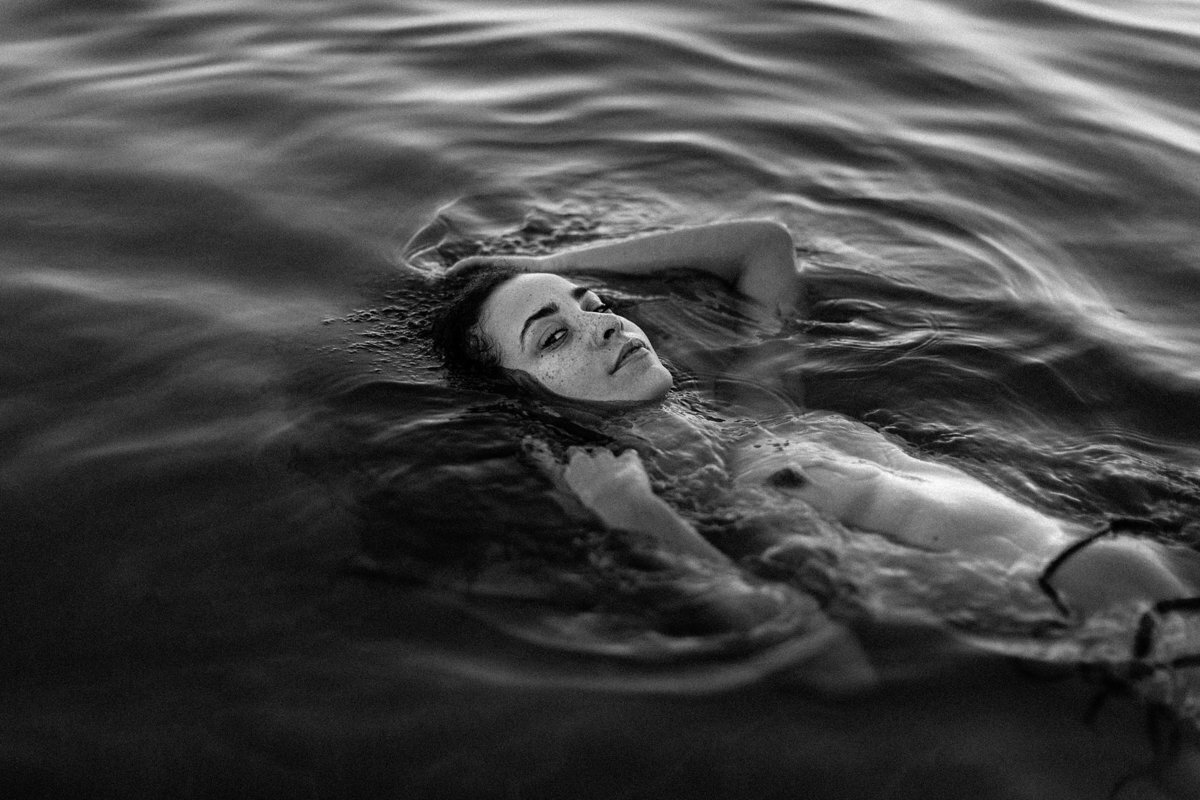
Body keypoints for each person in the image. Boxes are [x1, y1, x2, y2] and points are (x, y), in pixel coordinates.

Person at [432, 220, 1196, 631]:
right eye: (553, 337)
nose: (599, 325)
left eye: (591, 302)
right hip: (1114, 627)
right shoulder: (695, 497)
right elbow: (820, 653)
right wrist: (633, 513)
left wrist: (522, 271)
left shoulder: (759, 410)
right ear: (522, 395)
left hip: (1143, 566)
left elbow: (763, 244)